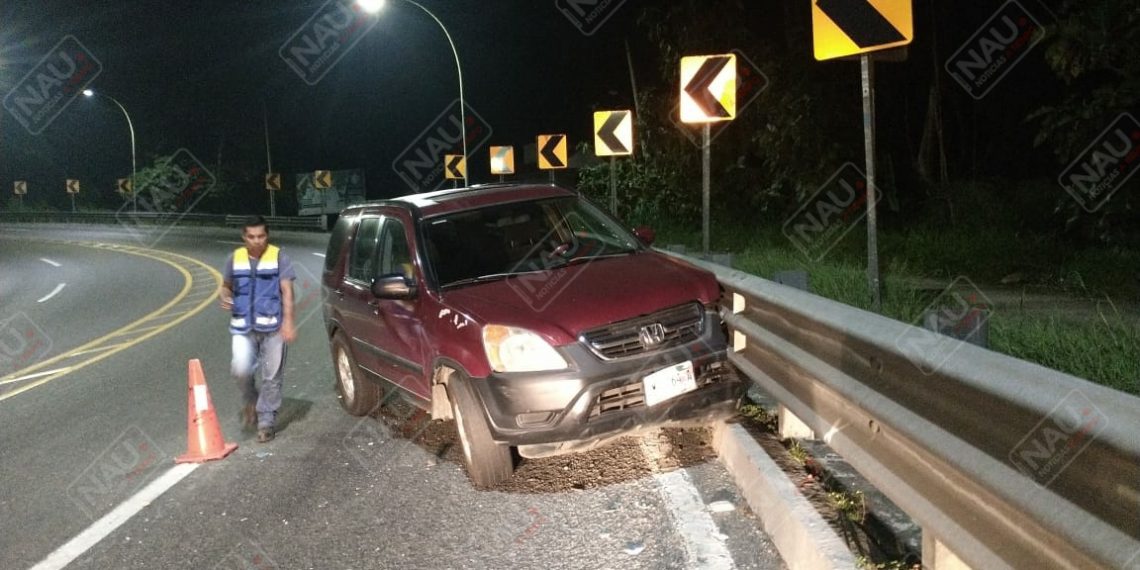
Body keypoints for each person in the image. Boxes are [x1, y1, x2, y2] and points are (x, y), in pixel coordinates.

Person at [218, 216, 296, 443]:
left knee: (272, 377)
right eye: (251, 236)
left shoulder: (279, 257)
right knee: (240, 370)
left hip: (273, 327)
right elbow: (225, 287)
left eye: (261, 236)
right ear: (244, 237)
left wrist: (289, 322)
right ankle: (251, 399)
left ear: (267, 235)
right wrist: (225, 297)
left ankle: (266, 421)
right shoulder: (234, 259)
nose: (256, 241)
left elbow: (287, 292)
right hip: (242, 327)